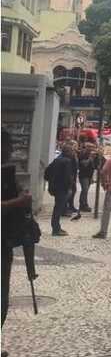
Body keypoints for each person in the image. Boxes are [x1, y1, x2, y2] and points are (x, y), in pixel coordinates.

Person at [2, 129, 33, 329]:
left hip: (5, 241)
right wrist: (18, 202)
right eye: (7, 146)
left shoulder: (6, 172)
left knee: (3, 297)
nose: (11, 150)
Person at [46, 143, 75, 236]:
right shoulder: (67, 161)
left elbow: (47, 172)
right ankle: (56, 229)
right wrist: (70, 187)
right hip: (62, 188)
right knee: (58, 209)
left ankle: (56, 227)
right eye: (71, 151)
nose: (73, 152)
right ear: (67, 152)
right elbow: (67, 177)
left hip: (55, 187)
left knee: (57, 208)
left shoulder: (56, 160)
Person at [76, 145, 98, 218]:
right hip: (83, 175)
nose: (93, 149)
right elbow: (84, 164)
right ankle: (83, 205)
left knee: (86, 190)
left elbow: (94, 167)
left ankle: (84, 204)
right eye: (91, 148)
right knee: (84, 190)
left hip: (89, 175)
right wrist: (90, 158)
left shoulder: (92, 156)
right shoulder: (83, 154)